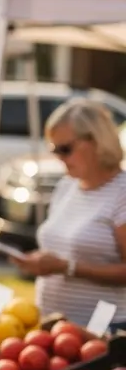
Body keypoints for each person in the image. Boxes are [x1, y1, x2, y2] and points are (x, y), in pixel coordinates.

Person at [11, 99, 126, 326]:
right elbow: (59, 248)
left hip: (102, 329)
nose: (59, 158)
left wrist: (68, 267)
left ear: (96, 141)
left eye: (65, 149)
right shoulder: (66, 186)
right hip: (53, 323)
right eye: (54, 150)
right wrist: (37, 261)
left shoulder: (122, 192)